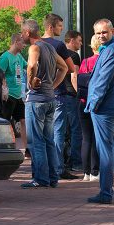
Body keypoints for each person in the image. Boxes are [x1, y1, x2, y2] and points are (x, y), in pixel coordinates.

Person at [84, 18, 114, 204]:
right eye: (98, 33)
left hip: (105, 108)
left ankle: (105, 193)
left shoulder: (111, 50)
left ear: (112, 31)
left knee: (106, 152)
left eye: (104, 32)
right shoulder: (113, 49)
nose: (101, 35)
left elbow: (103, 81)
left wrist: (93, 104)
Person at [20, 19, 68, 188]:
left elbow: (32, 64)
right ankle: (53, 177)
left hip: (36, 100)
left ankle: (40, 179)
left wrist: (30, 81)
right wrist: (53, 85)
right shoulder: (49, 47)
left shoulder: (35, 47)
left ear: (27, 33)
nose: (21, 36)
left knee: (36, 141)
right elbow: (64, 68)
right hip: (50, 99)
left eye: (22, 33)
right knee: (49, 139)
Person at [41, 14, 79, 180]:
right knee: (58, 132)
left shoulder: (36, 44)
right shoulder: (58, 45)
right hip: (57, 94)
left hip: (39, 95)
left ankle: (44, 169)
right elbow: (70, 68)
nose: (61, 29)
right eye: (59, 26)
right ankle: (58, 167)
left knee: (41, 133)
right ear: (51, 27)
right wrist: (55, 83)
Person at [0, 33, 29, 152]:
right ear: (16, 42)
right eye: (22, 42)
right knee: (6, 121)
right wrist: (4, 88)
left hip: (18, 94)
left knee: (23, 120)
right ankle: (5, 147)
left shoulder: (19, 57)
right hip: (9, 95)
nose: (24, 45)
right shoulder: (5, 57)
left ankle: (27, 148)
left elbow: (28, 66)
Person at [77, 35, 101, 182]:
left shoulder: (85, 62)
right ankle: (95, 171)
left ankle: (86, 172)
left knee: (86, 138)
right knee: (97, 139)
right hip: (97, 103)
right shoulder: (103, 61)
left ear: (92, 46)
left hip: (83, 101)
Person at [64, 30, 84, 170]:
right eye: (79, 40)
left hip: (59, 95)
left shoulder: (58, 52)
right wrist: (80, 94)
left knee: (62, 131)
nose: (81, 43)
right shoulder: (74, 56)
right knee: (76, 130)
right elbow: (74, 76)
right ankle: (76, 162)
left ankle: (62, 160)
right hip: (71, 95)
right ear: (71, 40)